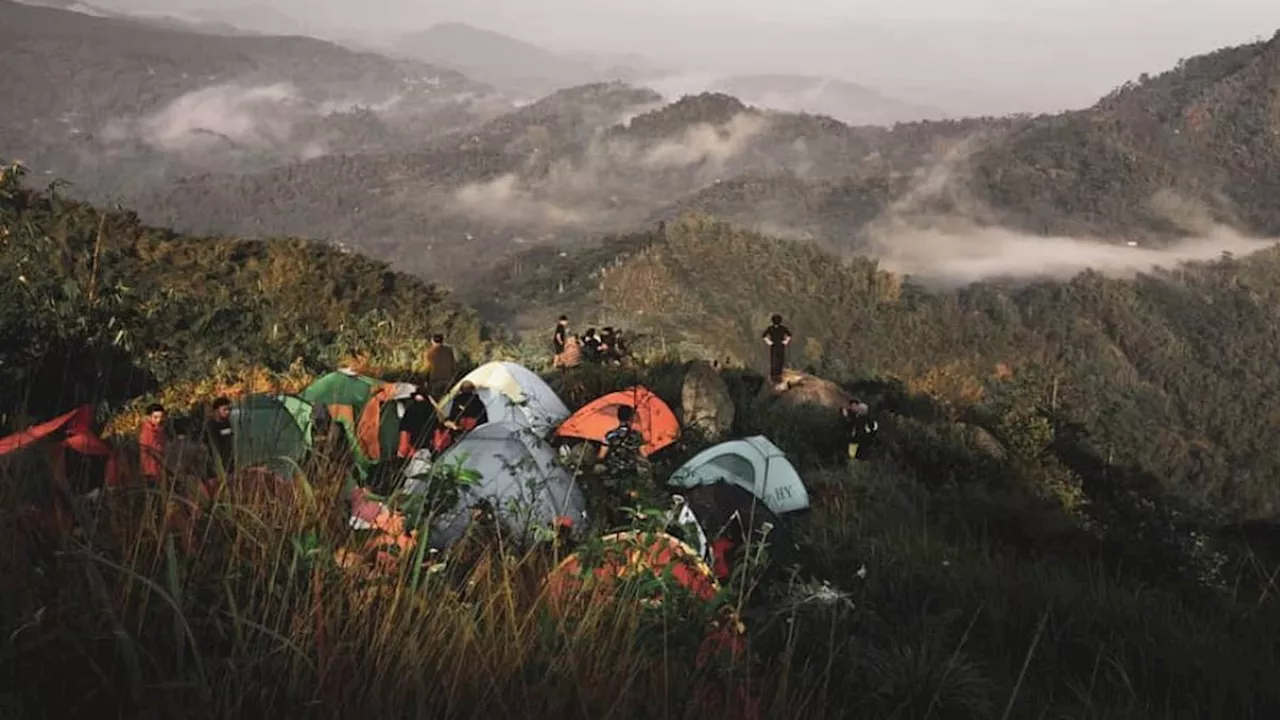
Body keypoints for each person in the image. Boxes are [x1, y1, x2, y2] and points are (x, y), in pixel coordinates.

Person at [430, 381, 489, 455]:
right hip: (475, 433)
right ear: (473, 390)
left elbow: (453, 416)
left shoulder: (457, 400)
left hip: (459, 433)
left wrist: (447, 421)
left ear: (461, 390)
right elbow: (484, 420)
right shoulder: (479, 402)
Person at [597, 405, 647, 487]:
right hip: (630, 471)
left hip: (612, 469)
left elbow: (601, 455)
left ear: (618, 417)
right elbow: (644, 455)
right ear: (631, 418)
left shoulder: (610, 435)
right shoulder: (637, 435)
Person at [397, 387, 437, 458]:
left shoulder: (411, 409)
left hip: (412, 446)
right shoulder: (431, 409)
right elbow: (435, 428)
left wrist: (404, 447)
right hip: (427, 447)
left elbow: (404, 429)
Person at [205, 396, 234, 476]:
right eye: (224, 409)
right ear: (216, 410)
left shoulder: (227, 423)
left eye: (229, 410)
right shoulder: (209, 425)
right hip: (215, 464)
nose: (228, 412)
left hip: (229, 463)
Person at [761, 314, 792, 387]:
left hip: (778, 345)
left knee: (779, 360)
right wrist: (769, 342)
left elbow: (789, 335)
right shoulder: (779, 328)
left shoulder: (773, 328)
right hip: (776, 345)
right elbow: (764, 336)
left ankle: (778, 376)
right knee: (775, 360)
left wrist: (785, 341)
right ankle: (774, 376)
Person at [139, 403, 166, 484]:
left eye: (160, 417)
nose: (158, 420)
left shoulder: (159, 429)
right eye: (155, 417)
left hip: (158, 466)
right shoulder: (146, 430)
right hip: (150, 468)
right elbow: (146, 446)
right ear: (149, 417)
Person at [424, 334, 457, 400]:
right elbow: (453, 365)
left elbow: (427, 368)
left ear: (432, 341)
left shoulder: (428, 352)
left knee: (436, 400)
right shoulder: (449, 350)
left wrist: (426, 380)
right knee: (448, 399)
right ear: (442, 341)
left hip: (435, 380)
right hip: (448, 379)